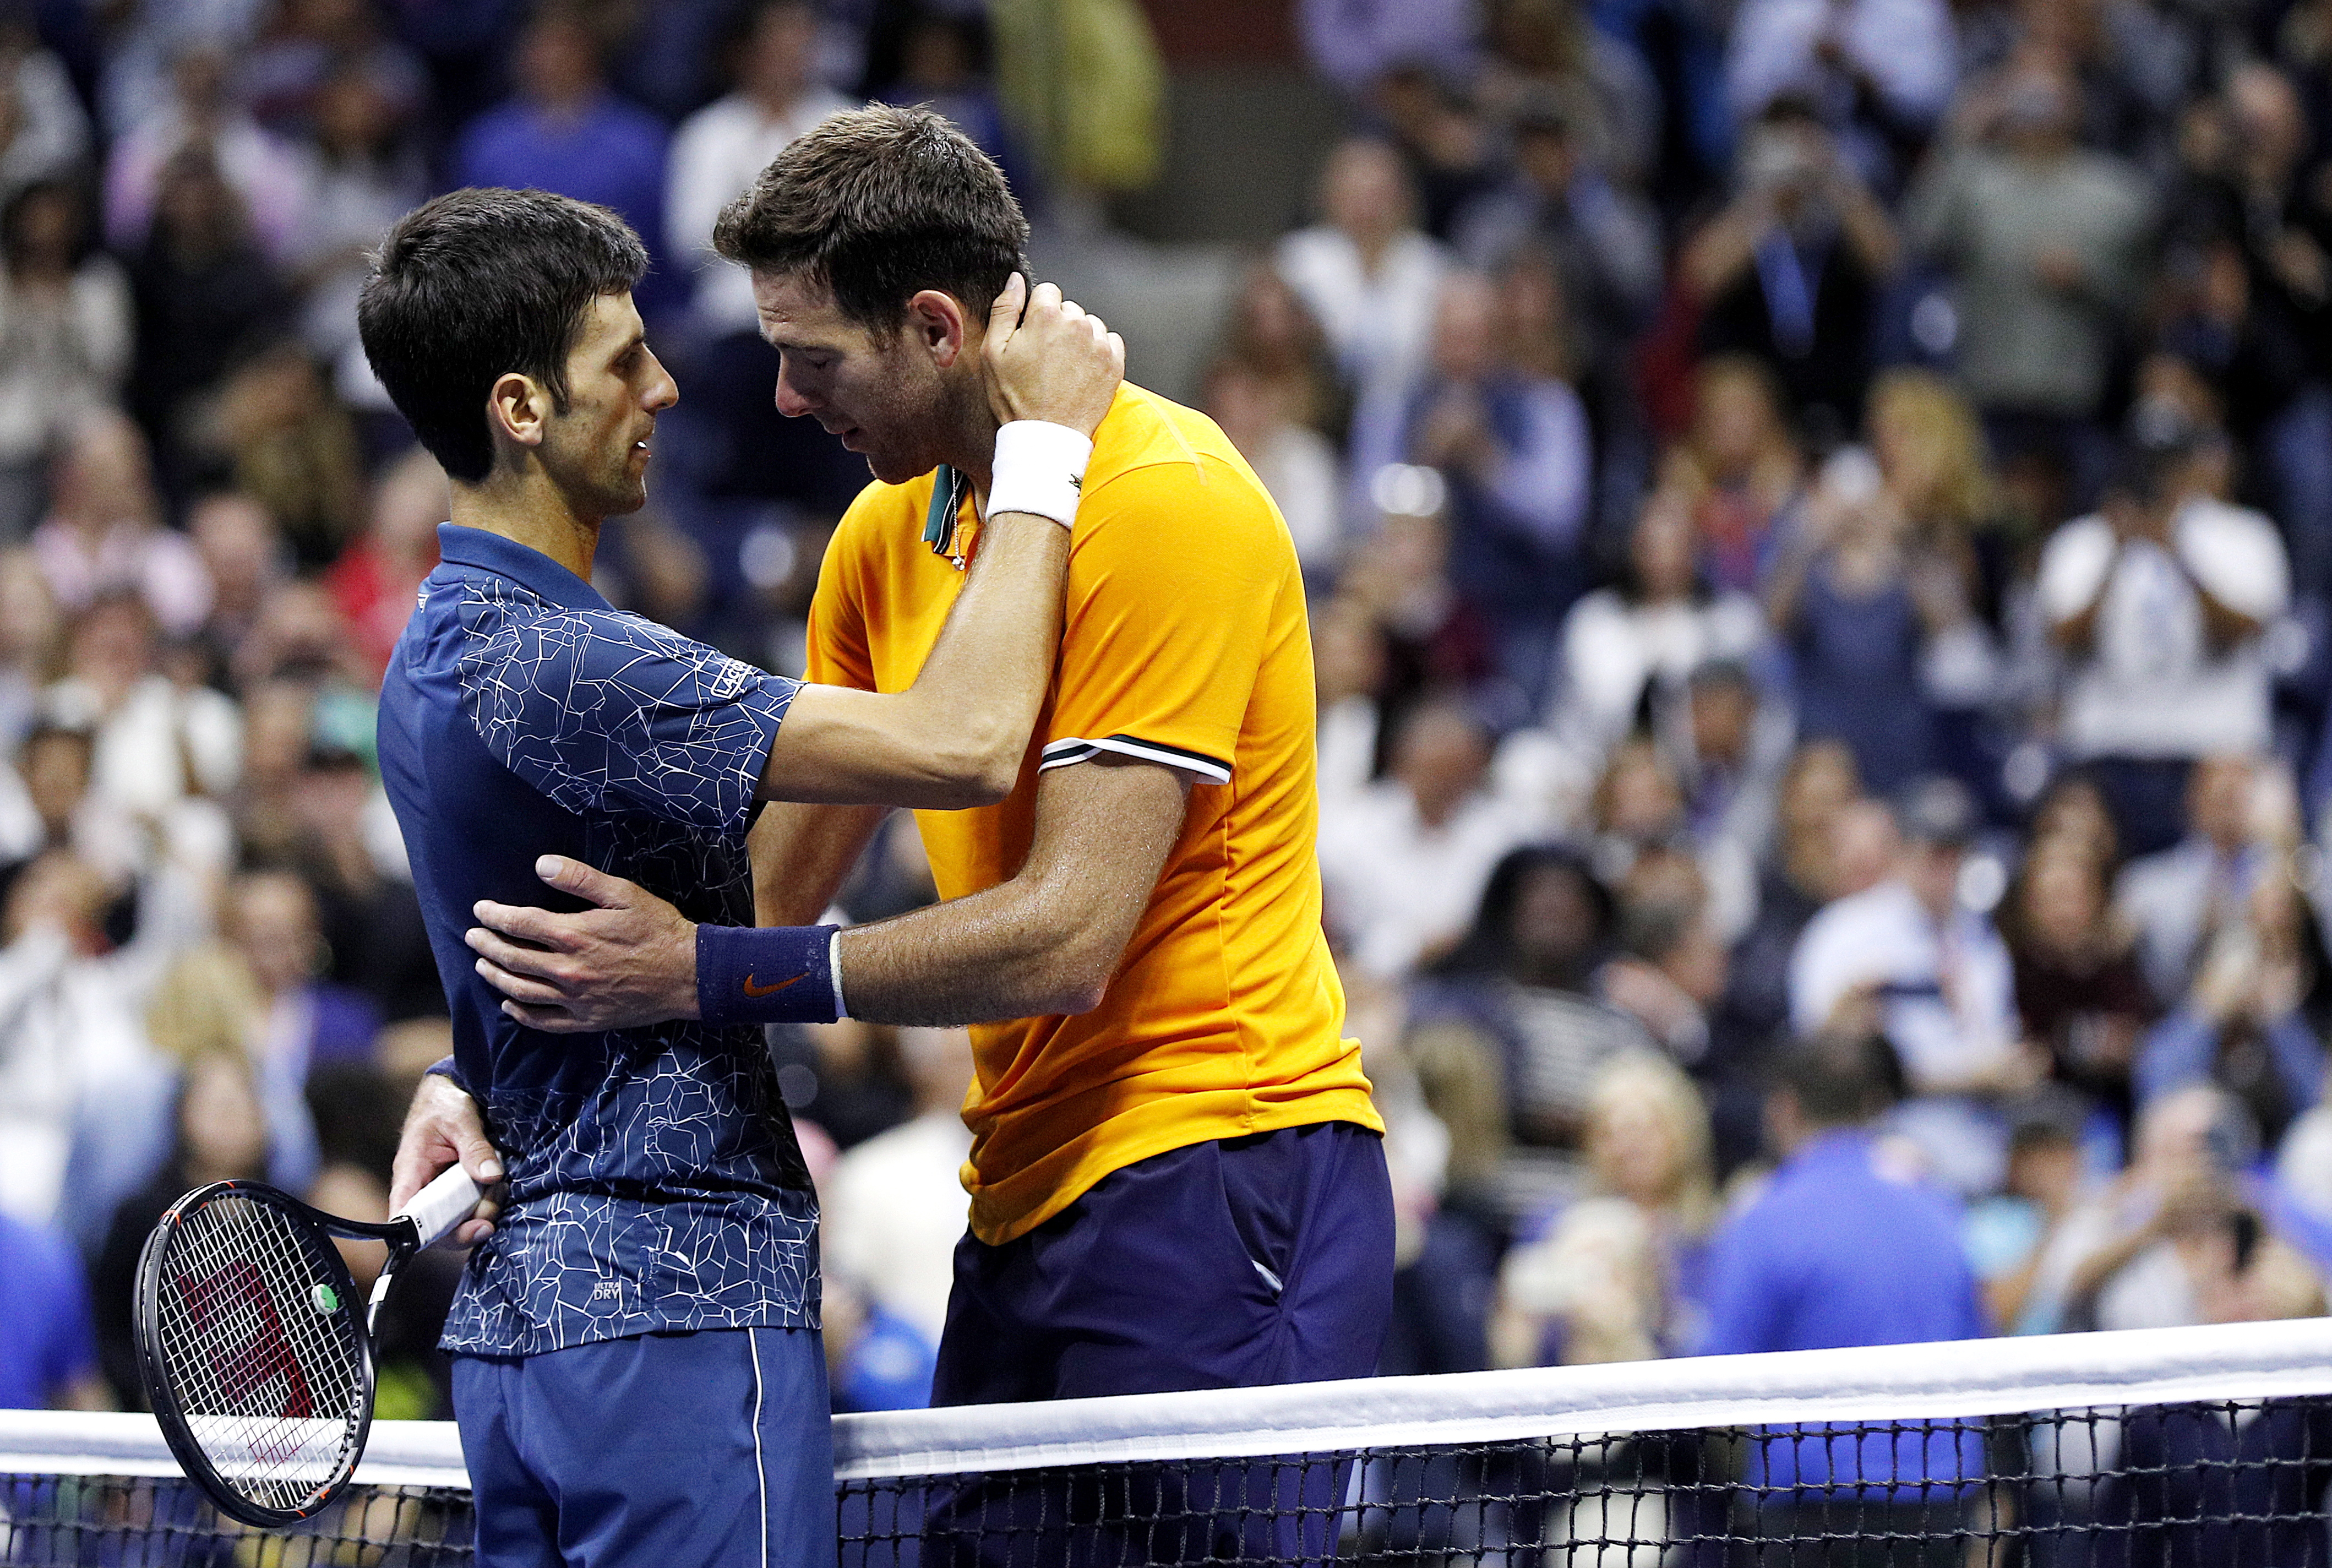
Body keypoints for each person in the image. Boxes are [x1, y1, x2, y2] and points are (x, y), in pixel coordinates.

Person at [445, 102, 1394, 1433]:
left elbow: (1066, 938)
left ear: (939, 330)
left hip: (1223, 1161)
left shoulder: (1166, 498)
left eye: (813, 358)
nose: (786, 398)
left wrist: (707, 969)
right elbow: (761, 898)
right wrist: (481, 1080)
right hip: (1017, 1195)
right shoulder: (882, 536)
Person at [356, 179, 1122, 1568]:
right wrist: (1045, 452)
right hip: (673, 1319)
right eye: (620, 363)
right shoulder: (566, 659)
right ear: (520, 408)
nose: (662, 387)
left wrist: (471, 1069)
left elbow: (592, 922)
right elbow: (967, 742)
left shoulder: (437, 643)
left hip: (528, 1340)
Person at [1699, 1030, 1987, 1553]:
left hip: (1810, 1508)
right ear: (1872, 1106)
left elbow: (1715, 1374)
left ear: (1783, 1108)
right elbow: (1976, 1347)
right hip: (1937, 1499)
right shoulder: (1938, 1208)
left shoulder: (1764, 1218)